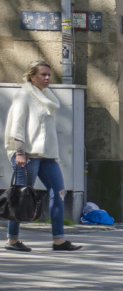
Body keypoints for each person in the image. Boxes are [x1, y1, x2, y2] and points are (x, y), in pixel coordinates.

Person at [4, 60, 81, 252]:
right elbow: (17, 126)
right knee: (20, 196)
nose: (47, 78)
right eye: (42, 75)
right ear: (32, 76)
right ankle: (12, 240)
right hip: (27, 154)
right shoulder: (24, 95)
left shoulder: (46, 96)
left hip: (47, 155)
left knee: (59, 192)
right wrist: (20, 152)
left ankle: (59, 240)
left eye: (48, 75)